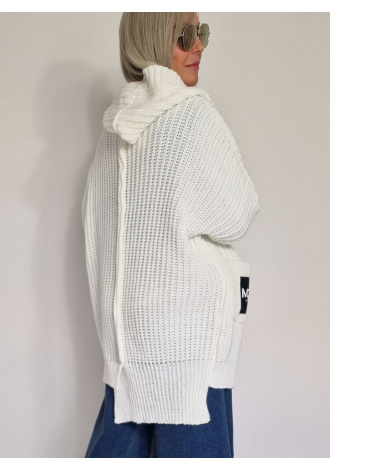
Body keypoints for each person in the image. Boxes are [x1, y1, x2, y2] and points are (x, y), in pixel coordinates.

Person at [81, 12, 260, 458]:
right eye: (185, 35)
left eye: (202, 32)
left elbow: (97, 236)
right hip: (192, 354)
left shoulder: (111, 135)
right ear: (152, 40)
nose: (198, 46)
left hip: (128, 354)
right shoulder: (193, 116)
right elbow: (239, 212)